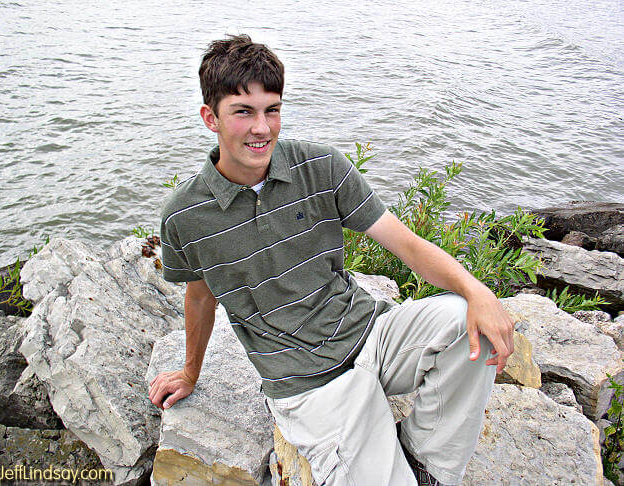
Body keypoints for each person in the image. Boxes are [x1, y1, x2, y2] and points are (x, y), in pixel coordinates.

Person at [148, 34, 514, 486]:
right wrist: (189, 371)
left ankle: (426, 462)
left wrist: (478, 291)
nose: (262, 128)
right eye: (243, 112)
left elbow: (408, 246)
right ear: (211, 118)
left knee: (465, 319)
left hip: (370, 334)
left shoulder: (319, 167)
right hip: (306, 382)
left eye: (272, 110)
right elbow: (200, 297)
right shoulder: (184, 215)